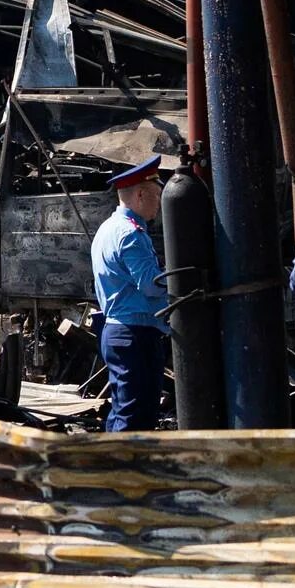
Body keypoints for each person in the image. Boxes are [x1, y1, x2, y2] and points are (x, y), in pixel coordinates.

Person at [90, 155, 169, 431]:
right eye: (157, 195)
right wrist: (179, 282)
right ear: (140, 195)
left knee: (126, 410)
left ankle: (117, 467)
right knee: (135, 415)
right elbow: (149, 284)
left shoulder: (107, 229)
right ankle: (121, 471)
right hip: (135, 334)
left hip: (121, 332)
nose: (159, 203)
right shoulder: (131, 234)